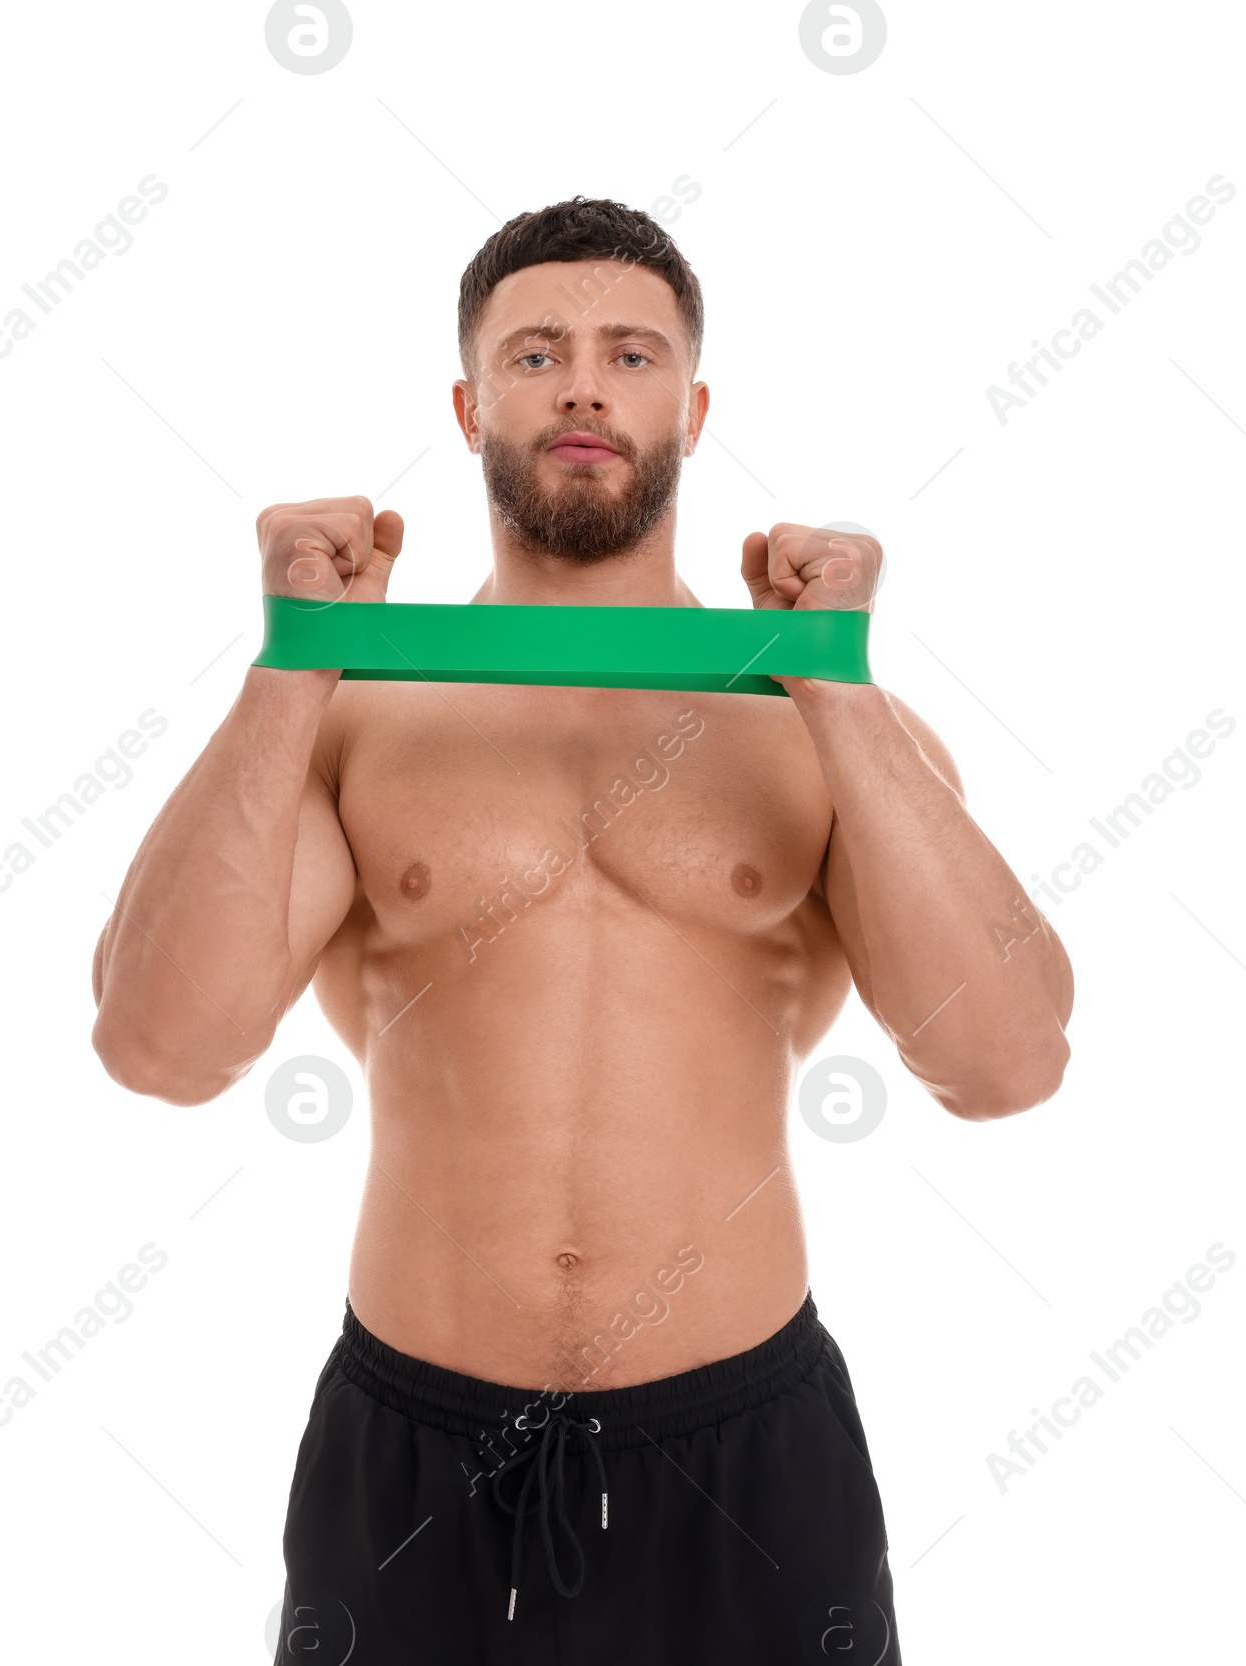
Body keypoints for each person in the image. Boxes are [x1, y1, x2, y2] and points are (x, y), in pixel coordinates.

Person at [90, 196, 1073, 1665]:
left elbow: (1008, 1063)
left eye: (631, 353)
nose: (587, 386)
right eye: (538, 352)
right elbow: (161, 1046)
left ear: (692, 401)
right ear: (472, 402)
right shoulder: (358, 712)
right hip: (413, 1446)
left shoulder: (821, 725)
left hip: (744, 1445)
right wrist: (292, 665)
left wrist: (838, 681)